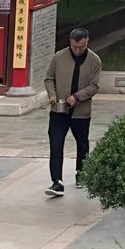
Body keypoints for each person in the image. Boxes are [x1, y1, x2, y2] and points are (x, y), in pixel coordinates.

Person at [45, 25, 102, 195]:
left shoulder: (94, 60)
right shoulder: (59, 57)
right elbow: (49, 78)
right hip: (59, 110)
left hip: (81, 112)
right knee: (56, 145)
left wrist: (77, 97)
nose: (77, 50)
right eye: (74, 46)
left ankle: (81, 173)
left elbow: (94, 86)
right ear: (70, 42)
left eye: (81, 47)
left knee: (82, 143)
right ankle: (57, 181)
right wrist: (52, 95)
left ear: (87, 42)